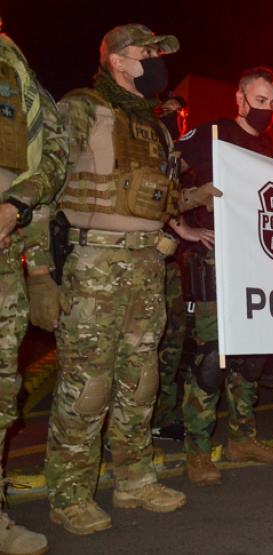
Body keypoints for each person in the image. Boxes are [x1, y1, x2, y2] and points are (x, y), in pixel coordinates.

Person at [45, 23, 214, 536]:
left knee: (140, 382)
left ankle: (134, 480)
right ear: (119, 60)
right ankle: (69, 495)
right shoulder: (81, 107)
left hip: (147, 265)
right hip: (95, 265)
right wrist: (37, 271)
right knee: (87, 384)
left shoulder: (155, 126)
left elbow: (148, 199)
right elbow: (44, 177)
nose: (155, 62)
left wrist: (192, 203)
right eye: (147, 53)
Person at [175, 67, 273, 485]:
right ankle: (198, 452)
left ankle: (243, 438)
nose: (267, 110)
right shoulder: (212, 133)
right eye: (260, 101)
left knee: (250, 359)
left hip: (255, 264)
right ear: (240, 99)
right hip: (214, 262)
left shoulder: (270, 145)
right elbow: (161, 172)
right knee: (211, 358)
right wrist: (179, 224)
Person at [0, 18, 67, 553]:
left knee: (2, 394)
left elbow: (47, 160)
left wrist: (40, 270)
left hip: (5, 251)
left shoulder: (15, 65)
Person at [151, 92, 208, 442]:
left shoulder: (181, 160)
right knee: (144, 347)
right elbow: (158, 200)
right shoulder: (152, 151)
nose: (175, 119)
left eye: (180, 114)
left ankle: (161, 416)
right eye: (169, 113)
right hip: (146, 259)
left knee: (171, 345)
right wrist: (182, 227)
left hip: (174, 266)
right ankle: (128, 426)